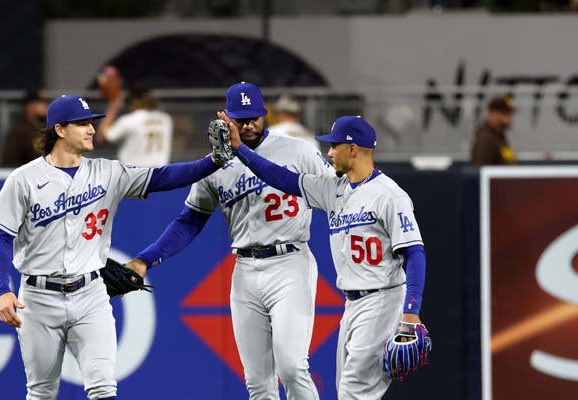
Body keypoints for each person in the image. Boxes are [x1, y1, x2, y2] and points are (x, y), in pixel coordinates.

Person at [0, 94, 226, 400]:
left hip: (91, 295)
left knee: (102, 387)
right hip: (37, 298)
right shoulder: (24, 179)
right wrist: (2, 289)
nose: (92, 130)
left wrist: (213, 161)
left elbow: (163, 177)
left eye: (92, 123)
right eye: (83, 123)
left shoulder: (108, 172)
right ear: (60, 129)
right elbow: (1, 237)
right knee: (41, 392)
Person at [125, 82, 334, 399]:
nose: (248, 124)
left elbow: (334, 194)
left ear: (266, 114)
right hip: (245, 270)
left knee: (292, 368)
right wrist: (146, 258)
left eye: (254, 117)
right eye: (240, 118)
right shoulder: (217, 164)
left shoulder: (298, 150)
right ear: (225, 119)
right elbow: (191, 219)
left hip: (290, 262)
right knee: (257, 383)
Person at [219, 113, 427, 400]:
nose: (328, 152)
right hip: (352, 304)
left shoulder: (390, 195)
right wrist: (241, 149)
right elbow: (282, 178)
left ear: (352, 149)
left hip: (383, 300)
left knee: (354, 393)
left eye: (335, 145)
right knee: (347, 391)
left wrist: (411, 313)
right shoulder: (333, 189)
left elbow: (414, 252)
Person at [97, 82, 173, 167]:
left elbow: (102, 137)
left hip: (134, 175)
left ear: (133, 100)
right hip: (160, 174)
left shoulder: (130, 120)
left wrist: (114, 105)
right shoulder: (165, 119)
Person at [1, 90, 48, 167]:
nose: (46, 106)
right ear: (29, 106)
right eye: (41, 103)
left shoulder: (50, 129)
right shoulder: (19, 133)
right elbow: (10, 162)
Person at [470, 95, 516, 166]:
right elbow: (479, 170)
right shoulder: (485, 139)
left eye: (510, 114)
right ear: (493, 113)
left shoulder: (499, 137)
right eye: (506, 113)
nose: (510, 118)